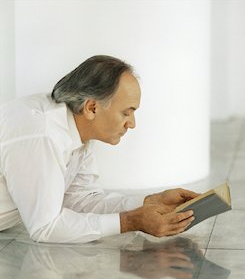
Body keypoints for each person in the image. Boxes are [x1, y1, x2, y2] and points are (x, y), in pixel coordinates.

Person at [0, 55, 198, 243]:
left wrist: (150, 202)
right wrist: (130, 221)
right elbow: (45, 227)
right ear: (92, 107)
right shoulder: (43, 134)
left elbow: (82, 201)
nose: (132, 124)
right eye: (126, 113)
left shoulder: (76, 130)